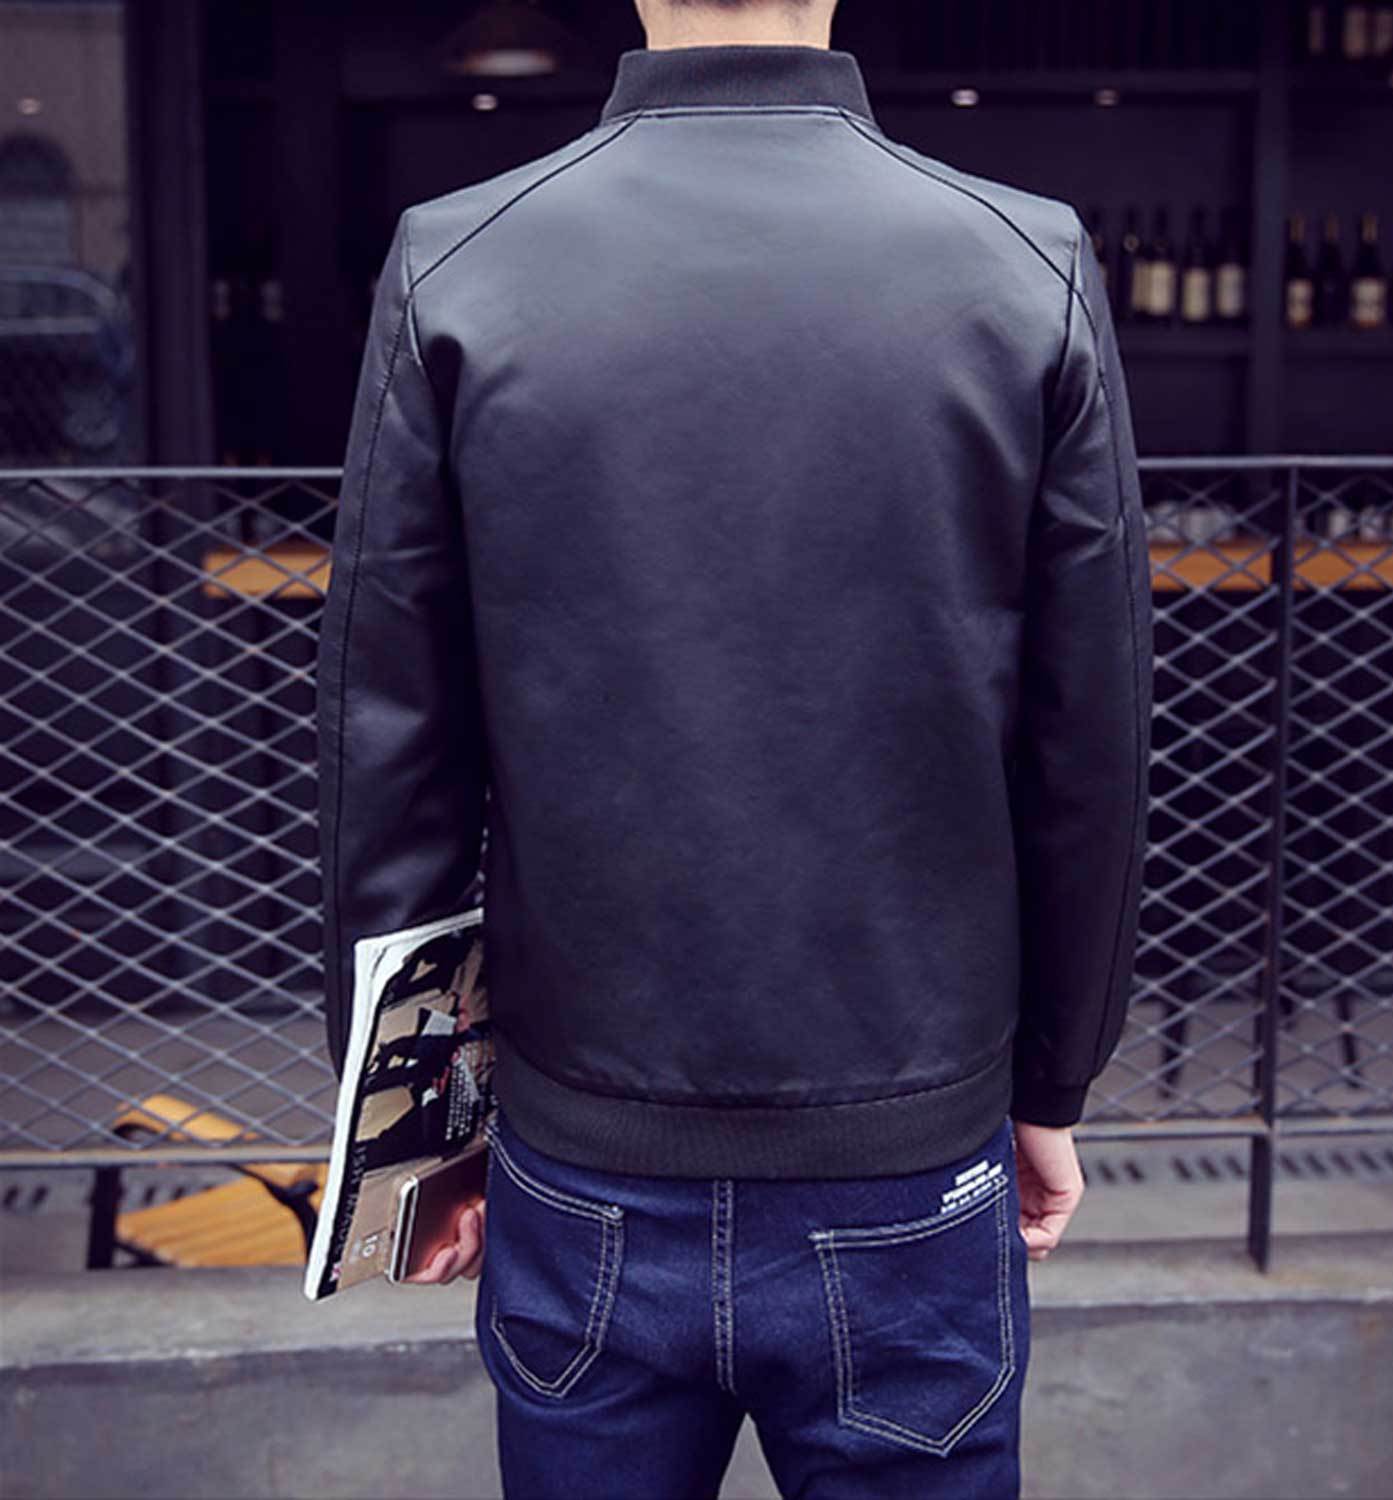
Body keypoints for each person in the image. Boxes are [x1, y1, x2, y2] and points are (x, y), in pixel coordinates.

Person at [315, 0, 1153, 1494]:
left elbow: (393, 745)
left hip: (582, 1148)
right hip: (909, 1148)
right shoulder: (1025, 260)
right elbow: (1088, 742)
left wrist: (414, 1133)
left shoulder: (459, 258)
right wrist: (1051, 1084)